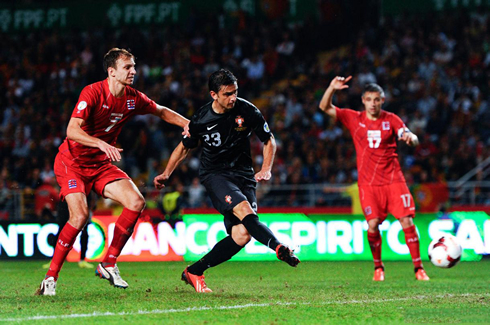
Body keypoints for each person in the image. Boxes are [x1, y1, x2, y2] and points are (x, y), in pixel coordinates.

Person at [36, 48, 190, 296]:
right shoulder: (93, 92)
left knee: (136, 201)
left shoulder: (132, 98)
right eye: (127, 67)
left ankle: (108, 263)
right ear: (112, 72)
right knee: (79, 216)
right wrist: (100, 143)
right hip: (72, 162)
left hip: (99, 165)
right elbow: (71, 130)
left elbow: (160, 110)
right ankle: (50, 278)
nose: (133, 71)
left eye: (133, 66)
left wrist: (187, 124)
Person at [153, 69, 299, 293]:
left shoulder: (247, 110)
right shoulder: (201, 118)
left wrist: (266, 168)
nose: (233, 97)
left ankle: (194, 271)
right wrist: (167, 173)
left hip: (243, 175)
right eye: (227, 93)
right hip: (216, 174)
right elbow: (184, 147)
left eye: (235, 92)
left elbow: (269, 140)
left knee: (241, 235)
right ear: (214, 94)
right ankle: (278, 247)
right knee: (244, 209)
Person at [318, 76, 430, 281]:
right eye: (369, 99)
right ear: (363, 100)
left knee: (406, 220)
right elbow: (324, 107)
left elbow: (409, 135)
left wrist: (412, 139)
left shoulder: (391, 119)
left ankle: (418, 268)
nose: (373, 103)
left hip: (393, 180)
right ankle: (378, 267)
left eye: (376, 99)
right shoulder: (354, 118)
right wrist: (331, 88)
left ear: (382, 100)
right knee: (373, 225)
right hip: (368, 184)